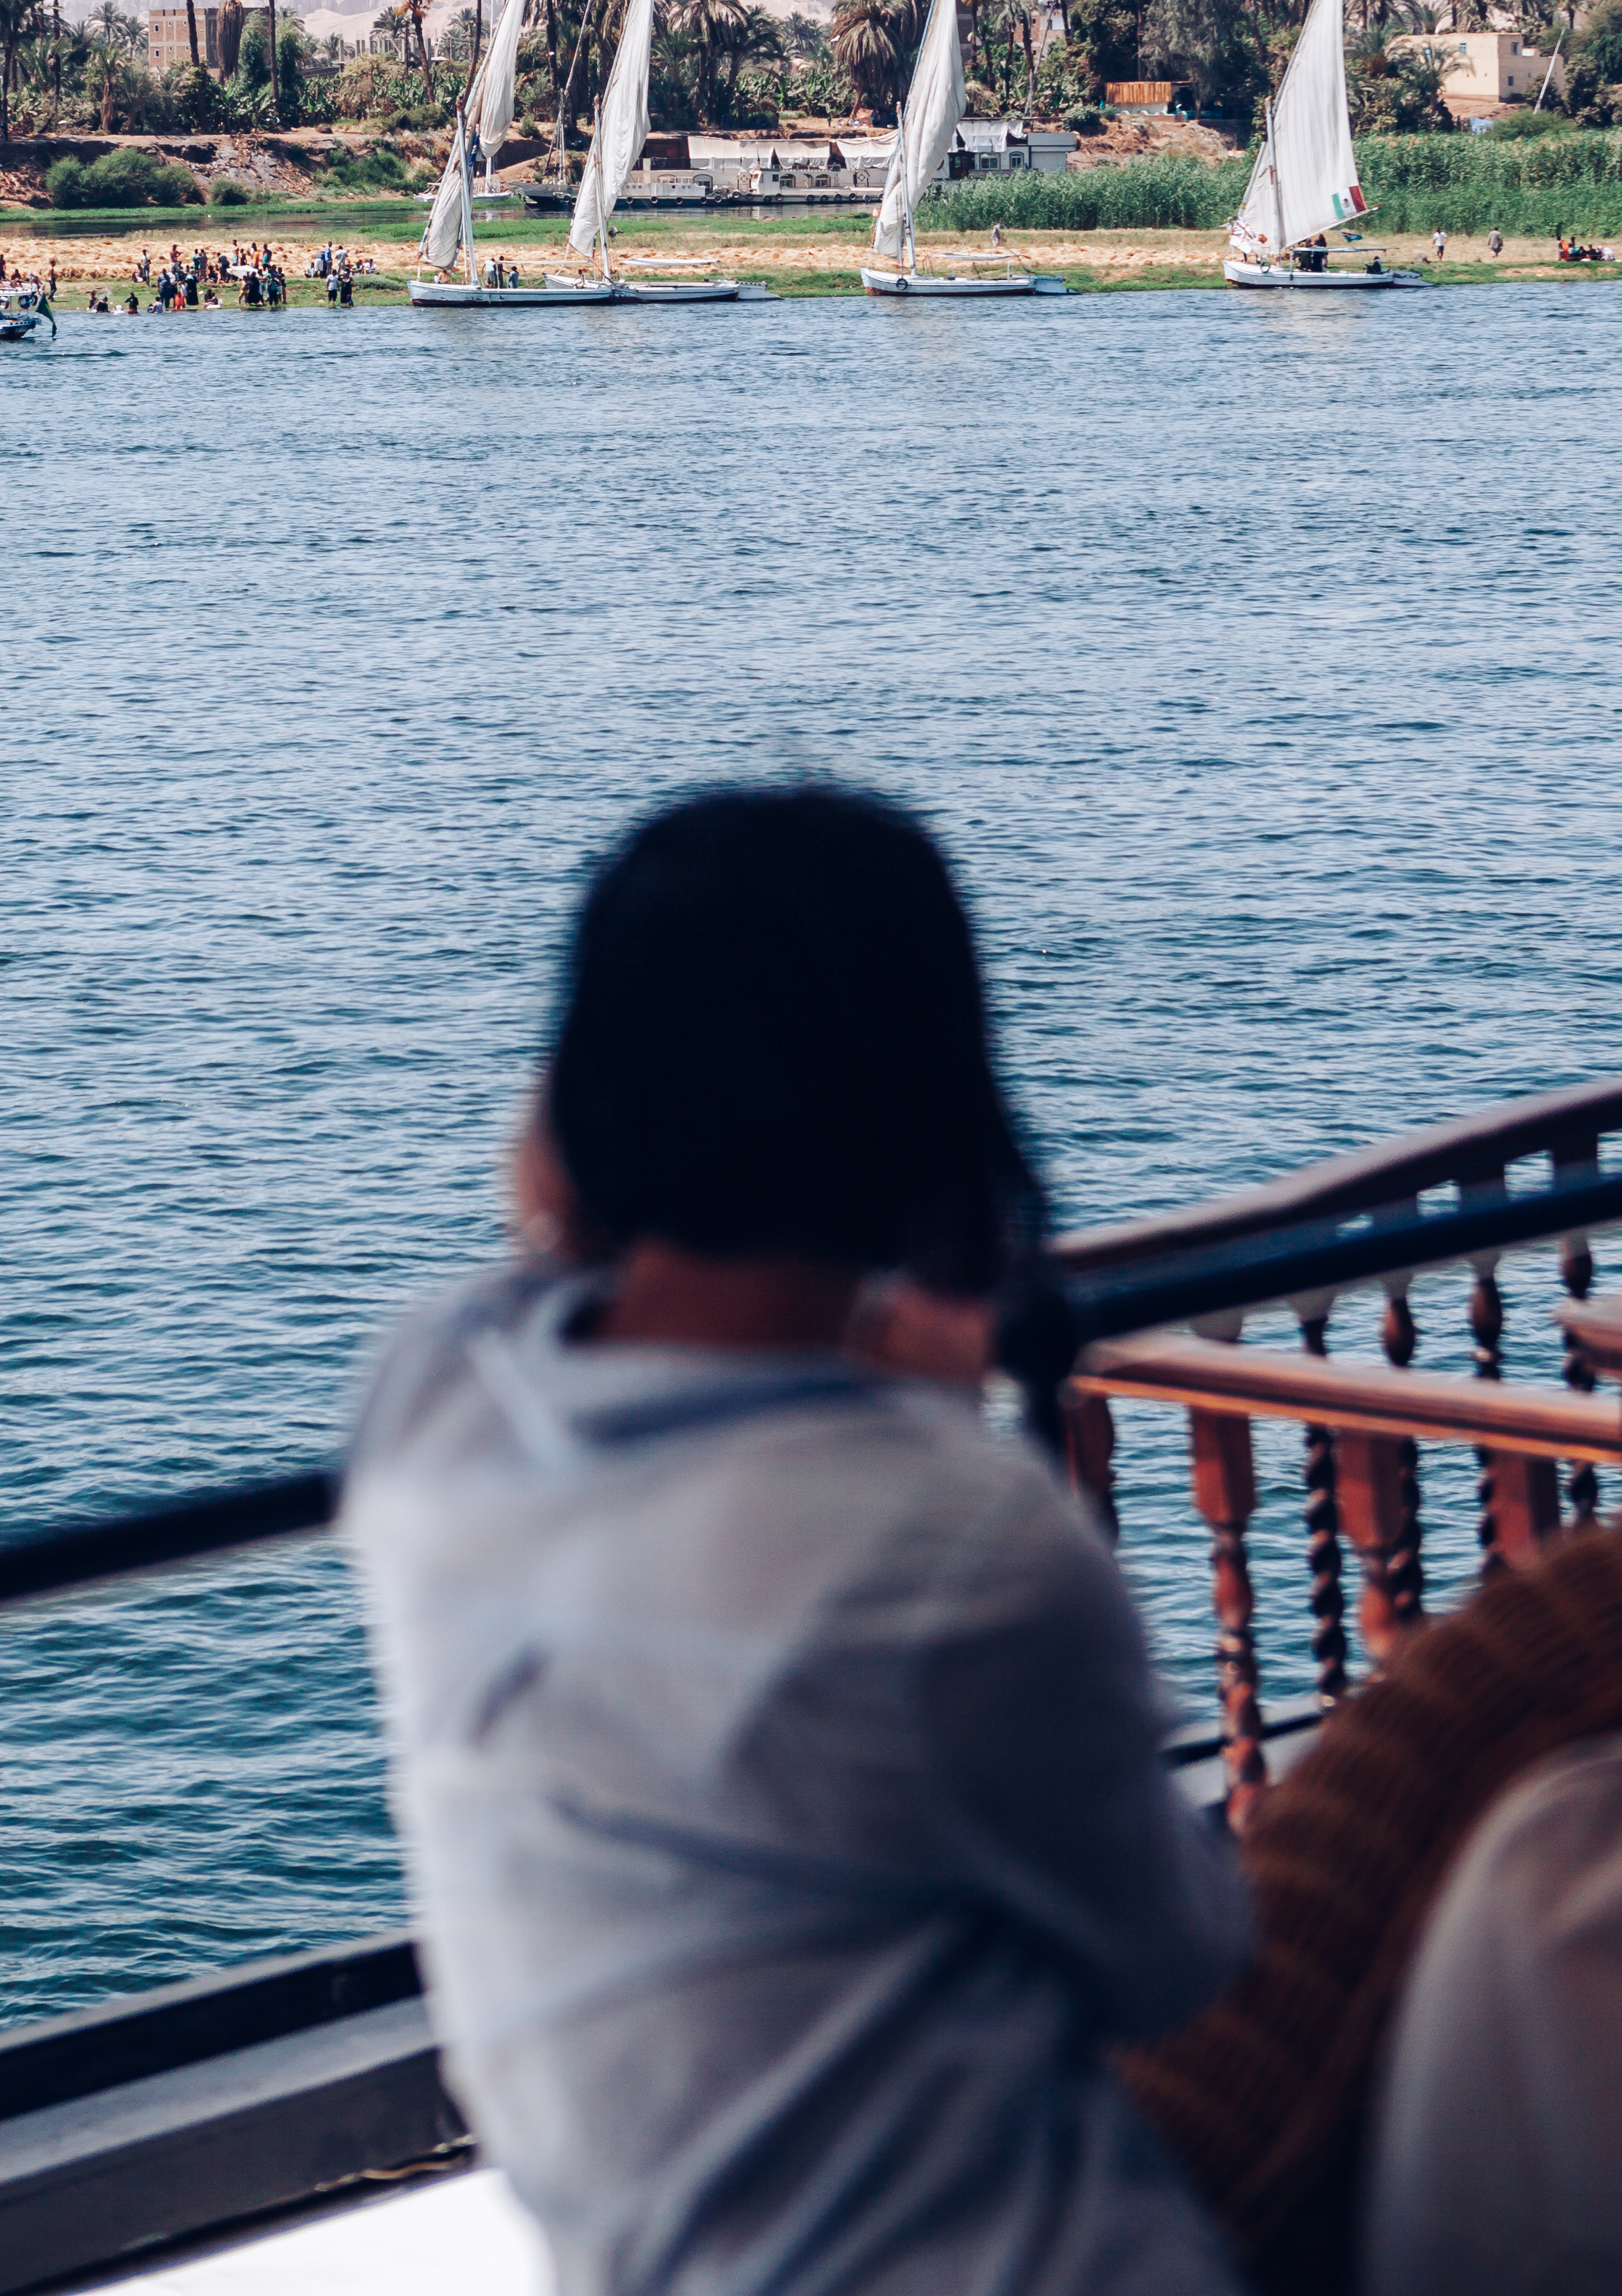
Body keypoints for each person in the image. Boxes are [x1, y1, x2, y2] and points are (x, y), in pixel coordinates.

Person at [346, 788, 1247, 2296]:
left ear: (579, 1084)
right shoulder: (955, 1541)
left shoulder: (437, 1400)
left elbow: (562, 1254)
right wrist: (931, 1416)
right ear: (929, 1107)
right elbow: (1172, 1961)